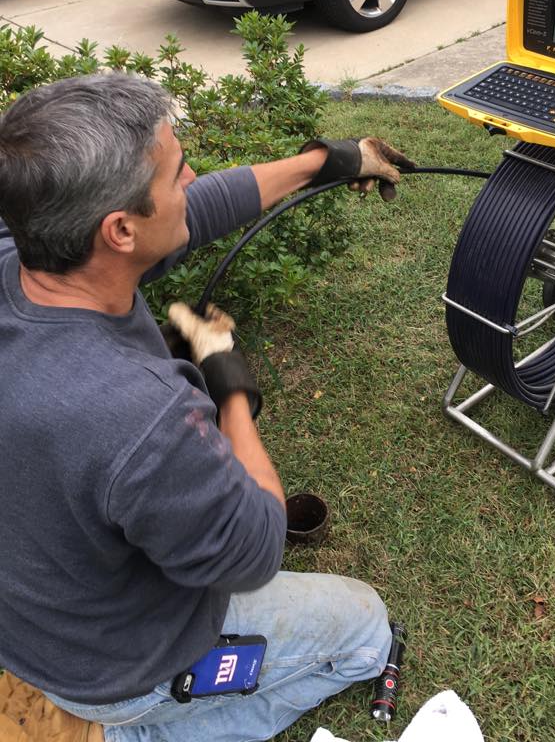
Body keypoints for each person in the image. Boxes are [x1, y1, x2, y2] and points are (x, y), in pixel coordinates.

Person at [0, 72, 415, 742]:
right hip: (113, 667)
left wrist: (325, 161)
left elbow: (198, 212)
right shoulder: (136, 416)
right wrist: (229, 386)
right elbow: (256, 547)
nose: (193, 175)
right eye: (176, 172)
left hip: (33, 617)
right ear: (120, 230)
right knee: (366, 626)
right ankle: (137, 730)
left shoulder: (28, 249)